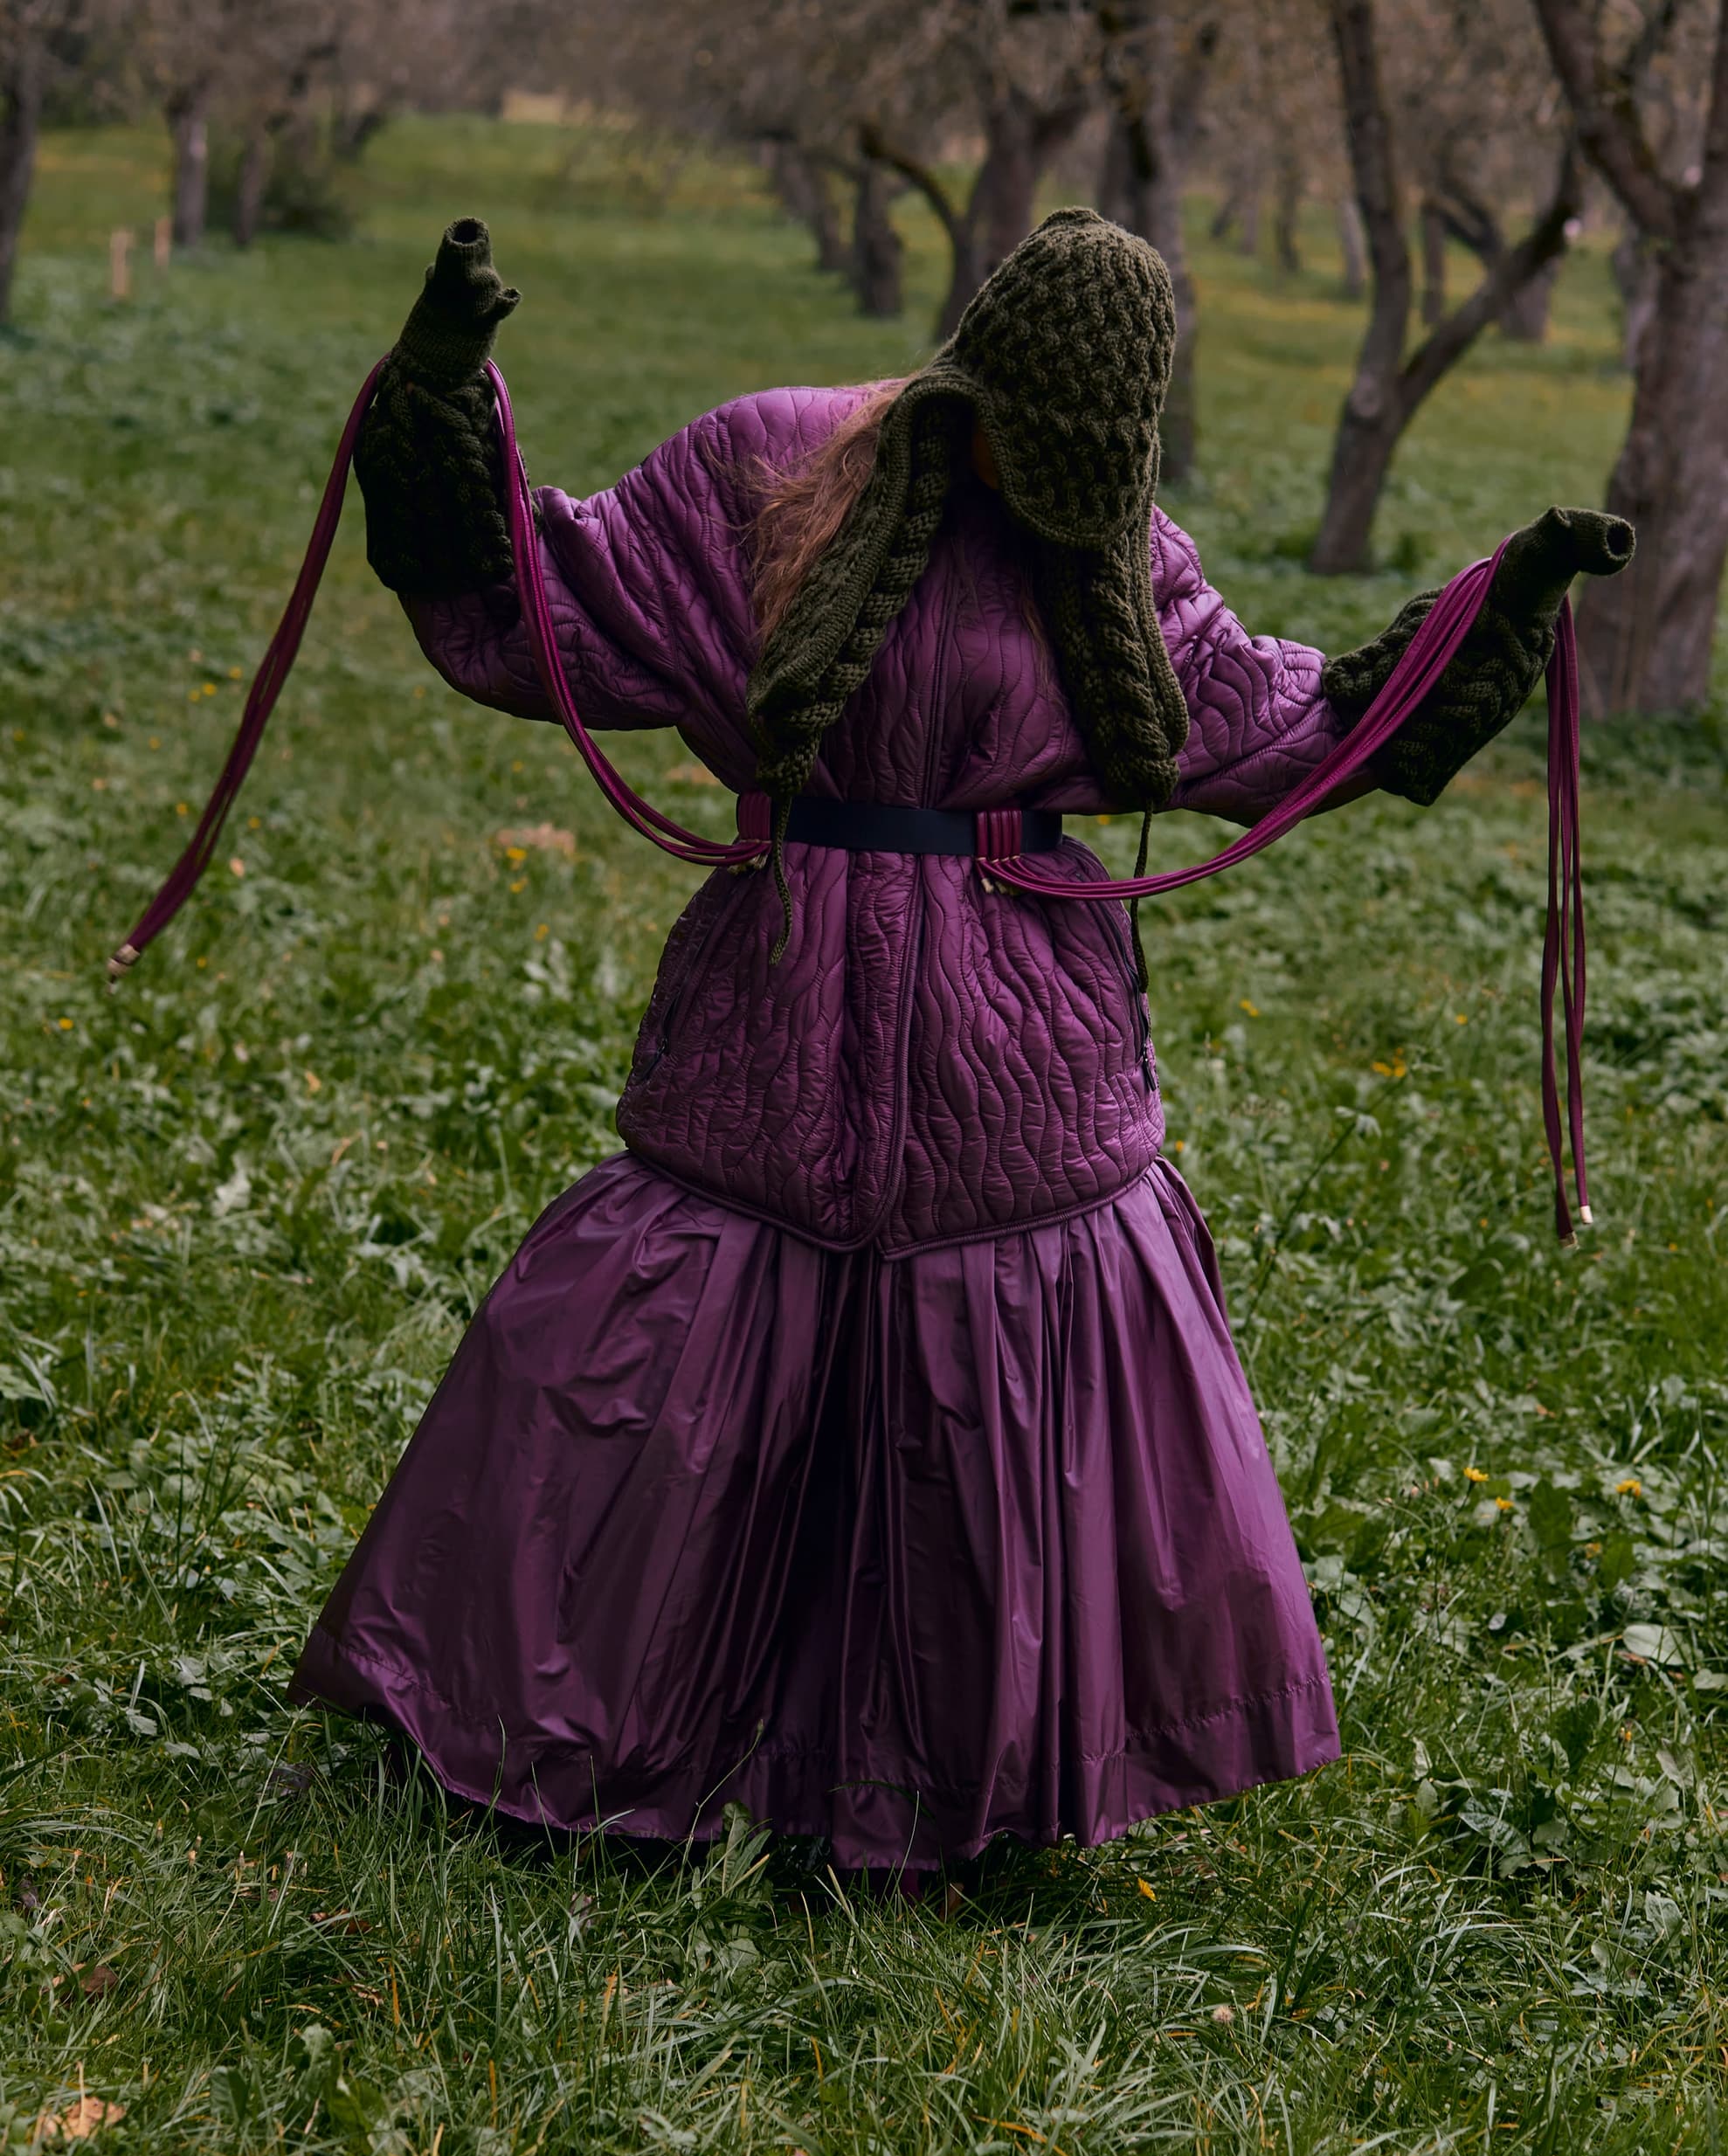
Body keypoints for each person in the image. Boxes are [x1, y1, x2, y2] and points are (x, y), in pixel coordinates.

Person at [288, 211, 1629, 1881]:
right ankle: (559, 1729)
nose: (1050, 491)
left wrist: (1500, 602)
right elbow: (536, 593)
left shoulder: (1115, 551)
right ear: (967, 383)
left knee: (996, 1401)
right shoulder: (773, 464)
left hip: (1019, 1054)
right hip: (774, 1018)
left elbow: (1284, 716)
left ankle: (948, 1787)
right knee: (651, 1339)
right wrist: (439, 392)